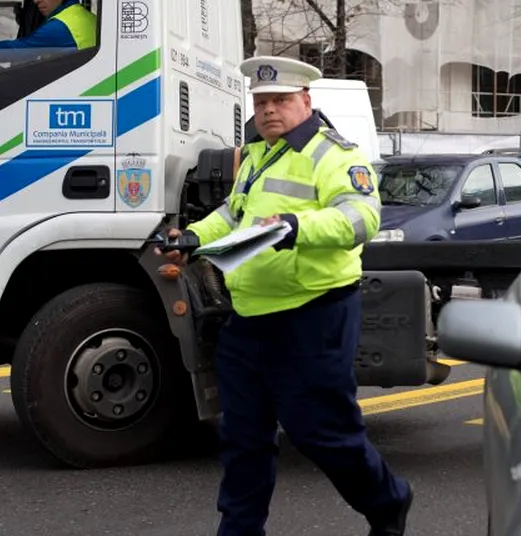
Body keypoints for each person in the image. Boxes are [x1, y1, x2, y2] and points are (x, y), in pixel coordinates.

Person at [157, 55, 413, 536]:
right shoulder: (258, 155)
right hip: (249, 319)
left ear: (306, 101)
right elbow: (233, 216)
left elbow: (363, 218)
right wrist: (192, 238)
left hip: (314, 315)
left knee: (322, 433)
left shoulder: (336, 155)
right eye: (261, 102)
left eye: (280, 100)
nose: (269, 110)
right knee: (242, 437)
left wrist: (298, 226)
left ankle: (387, 502)